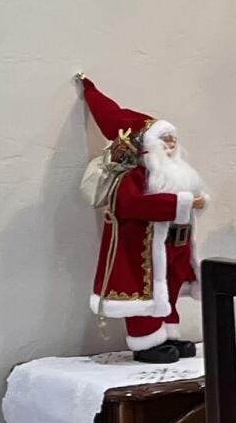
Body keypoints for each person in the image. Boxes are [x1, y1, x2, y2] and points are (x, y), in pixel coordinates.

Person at [78, 76, 207, 362]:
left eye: (173, 138)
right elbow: (133, 205)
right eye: (165, 140)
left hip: (173, 245)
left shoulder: (169, 174)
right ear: (146, 146)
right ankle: (146, 342)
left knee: (169, 291)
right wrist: (182, 202)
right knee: (144, 296)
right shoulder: (130, 176)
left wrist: (194, 203)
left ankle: (169, 334)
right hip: (141, 250)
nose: (172, 144)